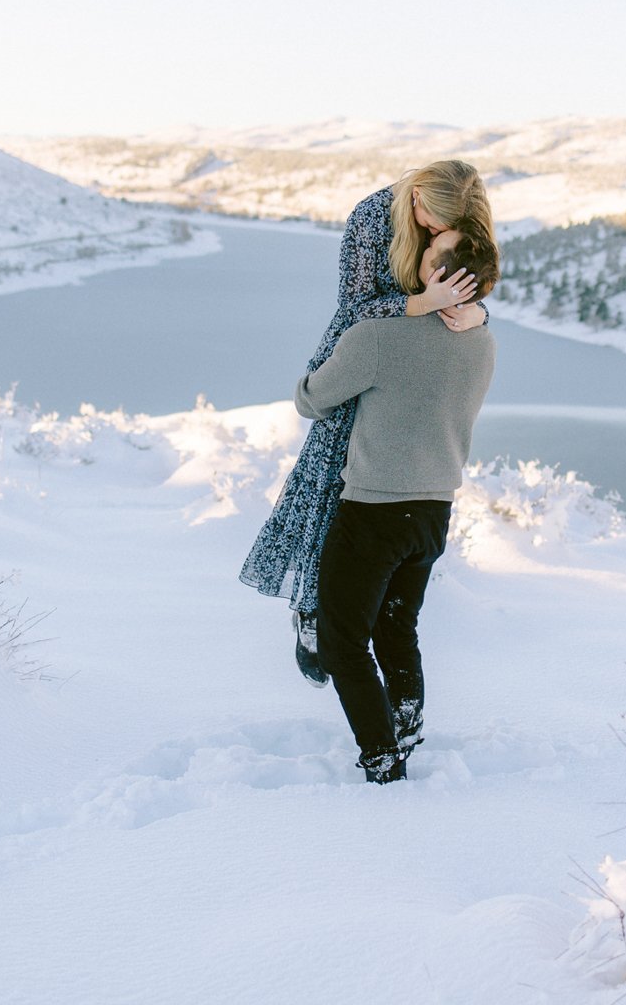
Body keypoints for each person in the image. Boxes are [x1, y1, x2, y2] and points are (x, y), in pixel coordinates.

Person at [239, 160, 495, 683]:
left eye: (442, 229)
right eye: (428, 220)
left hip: (418, 364)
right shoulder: (373, 216)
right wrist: (421, 301)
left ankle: (372, 620)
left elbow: (476, 282)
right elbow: (353, 309)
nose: (430, 232)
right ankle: (313, 611)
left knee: (386, 498)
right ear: (416, 193)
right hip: (367, 349)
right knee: (331, 483)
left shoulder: (462, 217)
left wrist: (478, 313)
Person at [294, 229, 501, 783]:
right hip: (433, 514)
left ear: (442, 277)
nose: (413, 253)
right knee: (395, 627)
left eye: (428, 253)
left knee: (341, 645)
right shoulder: (482, 340)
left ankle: (383, 760)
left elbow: (311, 398)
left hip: (373, 512)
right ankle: (405, 729)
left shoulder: (380, 337)